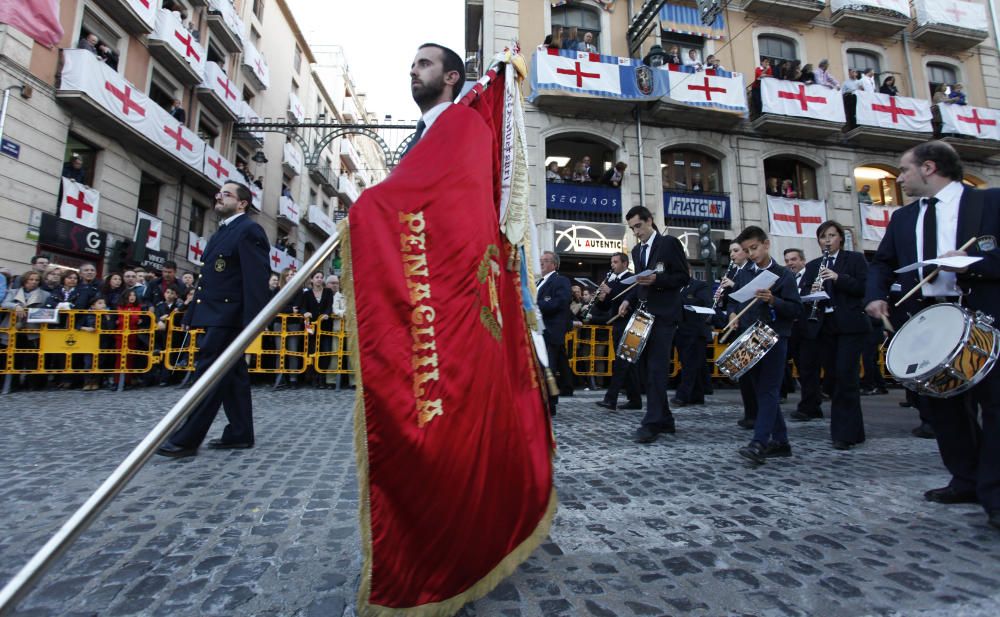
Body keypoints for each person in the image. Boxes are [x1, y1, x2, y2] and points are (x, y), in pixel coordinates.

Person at [865, 140, 1000, 531]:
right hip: (927, 317)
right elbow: (884, 262)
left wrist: (971, 265)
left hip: (980, 315)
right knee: (944, 408)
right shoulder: (904, 218)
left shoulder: (989, 203)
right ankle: (965, 479)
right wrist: (875, 296)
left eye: (903, 171)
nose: (899, 178)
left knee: (993, 406)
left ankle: (995, 492)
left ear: (928, 167)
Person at [157, 181, 270, 458]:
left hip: (230, 317)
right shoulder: (222, 232)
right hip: (215, 313)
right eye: (219, 193)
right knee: (233, 376)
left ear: (242, 203)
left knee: (208, 375)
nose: (219, 196)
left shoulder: (249, 230)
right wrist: (194, 313)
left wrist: (253, 323)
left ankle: (187, 439)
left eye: (227, 194)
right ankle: (240, 433)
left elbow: (256, 280)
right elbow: (208, 278)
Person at [728, 226, 803, 464]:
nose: (751, 254)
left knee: (769, 390)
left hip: (774, 337)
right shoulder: (744, 272)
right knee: (762, 391)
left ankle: (759, 442)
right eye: (747, 250)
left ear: (766, 244)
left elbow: (795, 309)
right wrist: (732, 314)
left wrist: (774, 300)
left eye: (755, 248)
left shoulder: (784, 275)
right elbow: (735, 300)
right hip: (750, 338)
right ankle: (781, 441)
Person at [793, 221, 870, 450]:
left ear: (840, 239)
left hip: (850, 325)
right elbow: (804, 292)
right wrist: (812, 292)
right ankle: (854, 430)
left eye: (832, 235)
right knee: (835, 378)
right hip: (824, 326)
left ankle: (843, 434)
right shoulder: (814, 264)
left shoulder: (854, 260)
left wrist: (838, 278)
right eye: (823, 236)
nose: (827, 240)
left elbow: (863, 288)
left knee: (847, 376)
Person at [617, 206, 689, 443]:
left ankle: (652, 422)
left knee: (657, 369)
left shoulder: (668, 243)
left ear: (650, 221)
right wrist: (629, 299)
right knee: (647, 368)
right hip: (645, 314)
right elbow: (640, 282)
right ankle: (665, 419)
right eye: (632, 228)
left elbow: (682, 276)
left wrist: (657, 279)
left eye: (638, 226)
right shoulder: (637, 251)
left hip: (665, 314)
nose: (636, 232)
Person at [595, 252, 642, 411]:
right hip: (617, 324)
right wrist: (601, 299)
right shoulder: (612, 280)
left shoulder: (631, 278)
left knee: (622, 362)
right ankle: (635, 400)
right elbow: (608, 305)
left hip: (630, 324)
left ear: (624, 263)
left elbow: (629, 298)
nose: (612, 265)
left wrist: (610, 291)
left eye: (615, 262)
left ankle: (611, 398)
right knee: (628, 364)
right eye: (611, 262)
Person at [403, 43, 465, 159]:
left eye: (424, 64)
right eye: (413, 66)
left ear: (451, 77)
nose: (413, 72)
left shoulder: (464, 129)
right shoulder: (417, 137)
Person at [719, 243, 757, 428]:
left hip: (752, 326)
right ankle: (750, 413)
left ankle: (757, 415)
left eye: (736, 251)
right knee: (744, 374)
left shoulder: (751, 270)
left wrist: (733, 286)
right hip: (739, 327)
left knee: (755, 375)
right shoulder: (736, 272)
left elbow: (752, 295)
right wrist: (731, 313)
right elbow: (733, 301)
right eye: (730, 252)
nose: (732, 255)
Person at [537, 251, 573, 416]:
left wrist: (537, 306)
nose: (542, 263)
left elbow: (560, 301)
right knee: (542, 368)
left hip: (551, 330)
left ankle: (550, 404)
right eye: (541, 260)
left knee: (549, 368)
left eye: (545, 261)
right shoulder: (539, 281)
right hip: (538, 331)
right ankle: (543, 400)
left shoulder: (560, 280)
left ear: (554, 264)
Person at [1, 271, 50, 390]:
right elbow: (5, 303)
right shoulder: (13, 292)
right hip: (13, 329)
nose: (33, 282)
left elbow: (48, 310)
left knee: (31, 358)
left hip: (32, 330)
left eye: (36, 280)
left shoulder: (45, 294)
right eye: (31, 279)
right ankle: (12, 385)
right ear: (24, 280)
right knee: (12, 359)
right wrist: (16, 306)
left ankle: (31, 385)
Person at [671, 267, 712, 407]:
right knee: (692, 364)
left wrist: (683, 302)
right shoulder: (676, 288)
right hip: (680, 331)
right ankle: (697, 395)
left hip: (695, 331)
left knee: (690, 365)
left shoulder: (699, 286)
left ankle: (683, 395)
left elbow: (706, 304)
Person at [298, 270, 333, 388]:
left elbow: (329, 306)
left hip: (325, 327)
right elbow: (302, 307)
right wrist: (305, 313)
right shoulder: (306, 294)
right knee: (311, 351)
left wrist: (326, 314)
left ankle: (322, 377)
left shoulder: (328, 292)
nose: (319, 279)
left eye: (321, 277)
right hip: (311, 327)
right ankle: (312, 378)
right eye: (317, 277)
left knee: (325, 352)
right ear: (312, 280)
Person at [781, 248, 807, 399]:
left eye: (794, 259)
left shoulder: (809, 276)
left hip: (803, 326)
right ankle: (783, 391)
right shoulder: (786, 278)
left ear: (803, 261)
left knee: (804, 364)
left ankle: (810, 397)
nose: (790, 263)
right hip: (789, 326)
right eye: (787, 260)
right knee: (781, 360)